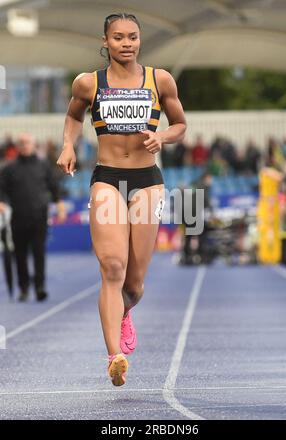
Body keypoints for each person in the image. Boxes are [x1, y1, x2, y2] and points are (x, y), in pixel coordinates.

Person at [56, 12, 186, 387]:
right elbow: (72, 117)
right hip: (108, 178)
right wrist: (68, 145)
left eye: (132, 37)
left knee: (134, 285)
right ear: (106, 40)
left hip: (147, 181)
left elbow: (180, 124)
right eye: (118, 37)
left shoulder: (159, 80)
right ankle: (115, 356)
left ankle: (126, 311)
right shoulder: (88, 83)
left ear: (139, 41)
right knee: (112, 267)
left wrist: (163, 137)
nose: (126, 43)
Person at [0, 133, 66, 302]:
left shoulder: (44, 165)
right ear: (18, 146)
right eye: (21, 143)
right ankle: (23, 288)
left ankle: (39, 287)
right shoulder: (9, 168)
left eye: (27, 142)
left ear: (34, 144)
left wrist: (59, 204)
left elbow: (54, 187)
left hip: (39, 216)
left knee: (39, 253)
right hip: (17, 218)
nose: (25, 145)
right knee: (19, 255)